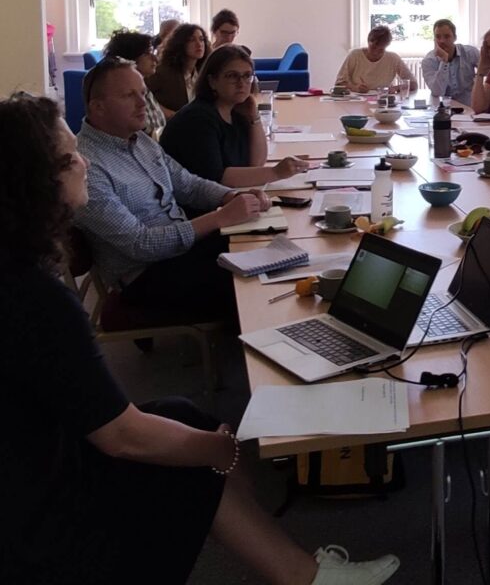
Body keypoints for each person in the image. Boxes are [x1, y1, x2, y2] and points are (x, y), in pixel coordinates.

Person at [0, 93, 400, 585]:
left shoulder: (19, 273)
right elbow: (122, 437)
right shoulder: (35, 300)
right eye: (67, 158)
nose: (81, 161)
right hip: (37, 514)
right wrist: (219, 451)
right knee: (197, 455)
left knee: (184, 415)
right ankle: (301, 573)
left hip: (36, 455)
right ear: (31, 186)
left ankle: (302, 573)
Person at [75, 57, 267, 320]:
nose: (143, 103)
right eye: (129, 96)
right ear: (98, 108)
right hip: (146, 275)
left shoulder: (139, 140)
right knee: (253, 282)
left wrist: (231, 196)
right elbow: (140, 244)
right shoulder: (86, 166)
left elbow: (187, 184)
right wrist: (220, 216)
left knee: (262, 244)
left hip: (180, 253)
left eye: (143, 93)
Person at [161, 46, 307, 187]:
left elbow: (256, 163)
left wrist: (254, 117)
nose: (241, 83)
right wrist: (276, 172)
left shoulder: (237, 109)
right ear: (212, 81)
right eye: (232, 76)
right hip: (196, 207)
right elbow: (217, 178)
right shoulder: (198, 119)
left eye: (247, 76)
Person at [102, 28, 166, 139]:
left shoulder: (144, 87)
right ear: (130, 58)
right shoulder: (123, 97)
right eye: (148, 53)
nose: (155, 58)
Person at [147, 21, 209, 117]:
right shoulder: (164, 71)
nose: (199, 44)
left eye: (201, 39)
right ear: (180, 44)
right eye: (191, 40)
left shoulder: (203, 72)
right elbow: (144, 95)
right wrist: (169, 114)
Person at [335, 25, 417, 94]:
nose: (375, 52)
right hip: (357, 100)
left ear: (386, 46)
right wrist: (354, 88)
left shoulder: (393, 58)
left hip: (383, 100)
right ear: (368, 42)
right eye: (373, 47)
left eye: (381, 50)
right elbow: (339, 83)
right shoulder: (355, 55)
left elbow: (413, 84)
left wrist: (395, 88)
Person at [420, 18, 480, 103]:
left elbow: (488, 70)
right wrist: (444, 61)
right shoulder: (429, 60)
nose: (442, 41)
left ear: (455, 38)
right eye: (438, 37)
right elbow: (437, 92)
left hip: (470, 106)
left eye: (447, 36)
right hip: (444, 109)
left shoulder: (470, 52)